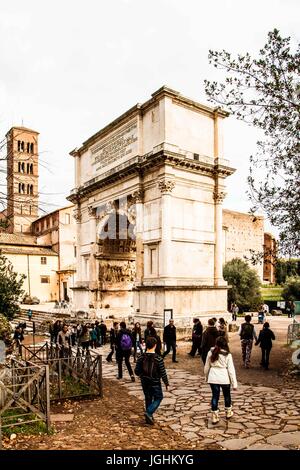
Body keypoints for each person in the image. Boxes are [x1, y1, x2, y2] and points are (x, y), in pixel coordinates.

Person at [135, 336, 169, 425]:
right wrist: (166, 383)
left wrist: (142, 375)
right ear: (155, 345)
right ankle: (149, 412)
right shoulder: (158, 358)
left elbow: (136, 371)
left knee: (148, 397)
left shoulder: (141, 357)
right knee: (158, 397)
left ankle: (149, 418)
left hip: (144, 381)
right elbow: (162, 372)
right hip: (155, 381)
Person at [204, 336, 238, 424]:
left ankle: (214, 416)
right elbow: (231, 370)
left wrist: (206, 377)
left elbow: (207, 366)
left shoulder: (211, 352)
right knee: (227, 395)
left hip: (213, 377)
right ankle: (228, 412)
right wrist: (234, 384)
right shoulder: (227, 354)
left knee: (215, 396)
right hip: (224, 378)